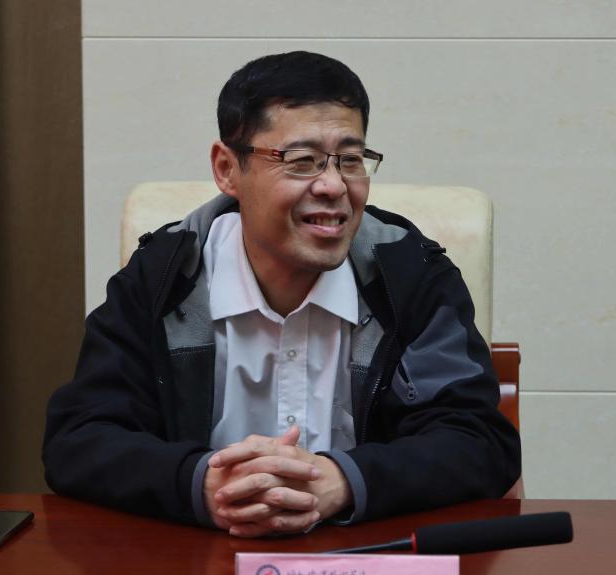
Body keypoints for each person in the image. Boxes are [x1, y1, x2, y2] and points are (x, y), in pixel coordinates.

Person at [43, 51, 520, 538]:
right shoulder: (163, 279)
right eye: (301, 161)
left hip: (365, 560)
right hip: (197, 560)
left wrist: (342, 481)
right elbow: (79, 440)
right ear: (227, 169)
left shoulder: (409, 277)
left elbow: (478, 441)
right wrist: (201, 483)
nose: (333, 185)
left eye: (350, 160)